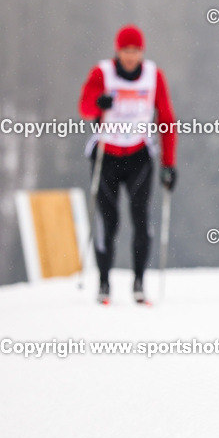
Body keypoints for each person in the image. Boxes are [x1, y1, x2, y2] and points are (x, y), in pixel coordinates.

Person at [78, 25, 177, 305]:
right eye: (125, 51)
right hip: (106, 156)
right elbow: (85, 108)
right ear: (117, 50)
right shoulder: (103, 73)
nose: (130, 57)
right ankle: (104, 283)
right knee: (108, 222)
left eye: (135, 51)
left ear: (142, 51)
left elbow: (167, 120)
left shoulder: (153, 76)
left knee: (141, 219)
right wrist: (99, 103)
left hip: (139, 158)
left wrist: (169, 163)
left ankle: (138, 282)